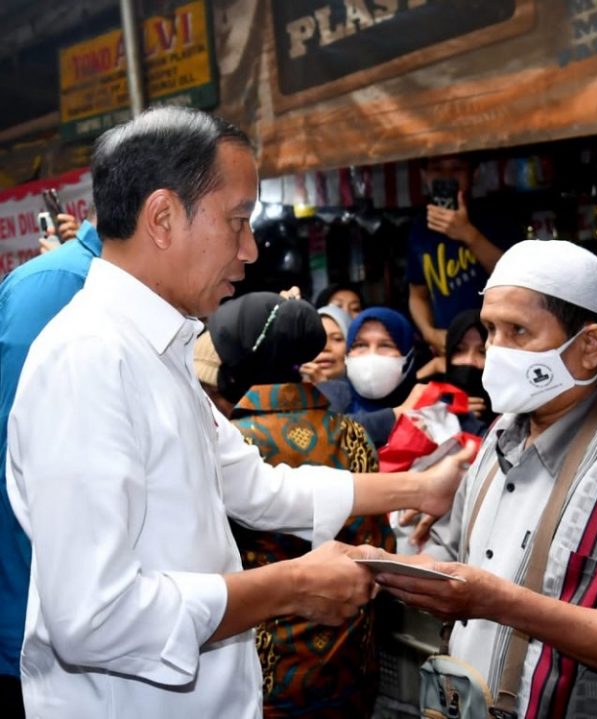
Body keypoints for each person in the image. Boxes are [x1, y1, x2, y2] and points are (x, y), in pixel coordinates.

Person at [5, 106, 470, 718]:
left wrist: (418, 487)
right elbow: (91, 618)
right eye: (237, 221)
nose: (250, 250)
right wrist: (293, 586)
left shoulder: (157, 348)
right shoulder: (90, 359)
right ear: (164, 218)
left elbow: (254, 486)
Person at [374, 240, 597, 717]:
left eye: (518, 331)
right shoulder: (497, 438)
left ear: (590, 346)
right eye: (491, 329)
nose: (495, 351)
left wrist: (498, 602)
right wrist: (389, 562)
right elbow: (451, 558)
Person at [194, 292, 392, 718]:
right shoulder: (353, 435)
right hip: (348, 667)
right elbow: (380, 549)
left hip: (260, 676)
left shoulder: (227, 446)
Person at [0, 209, 100, 717]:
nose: (248, 248)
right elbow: (19, 464)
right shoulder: (60, 287)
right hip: (41, 622)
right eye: (233, 220)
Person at [407, 154, 521, 355]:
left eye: (457, 169)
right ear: (424, 175)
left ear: (474, 174)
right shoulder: (420, 227)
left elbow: (518, 280)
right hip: (452, 349)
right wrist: (428, 332)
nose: (447, 176)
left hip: (501, 343)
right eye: (437, 169)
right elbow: (417, 294)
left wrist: (469, 234)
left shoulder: (496, 219)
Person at [319, 307, 426, 446]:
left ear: (408, 356)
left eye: (385, 345)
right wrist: (396, 415)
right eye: (360, 345)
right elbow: (320, 431)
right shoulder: (330, 393)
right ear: (347, 354)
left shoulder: (426, 405)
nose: (372, 355)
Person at [299, 304, 351, 384]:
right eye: (315, 339)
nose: (325, 347)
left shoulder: (366, 394)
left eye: (337, 339)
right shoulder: (285, 392)